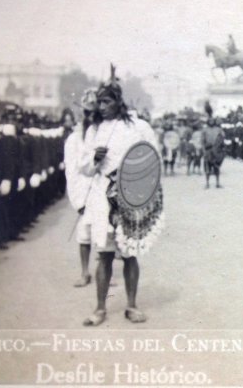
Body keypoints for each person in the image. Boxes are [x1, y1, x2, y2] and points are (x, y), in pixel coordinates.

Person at [79, 67, 162, 326]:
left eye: (107, 101)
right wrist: (94, 158)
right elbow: (82, 166)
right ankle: (100, 308)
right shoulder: (94, 130)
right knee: (103, 254)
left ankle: (132, 306)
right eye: (99, 102)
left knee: (130, 253)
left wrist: (142, 186)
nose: (101, 106)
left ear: (118, 101)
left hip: (131, 197)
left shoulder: (138, 126)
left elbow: (153, 157)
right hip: (103, 198)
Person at [64, 88, 97, 287]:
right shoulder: (73, 140)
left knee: (105, 235)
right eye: (88, 113)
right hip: (84, 192)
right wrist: (78, 201)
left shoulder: (104, 134)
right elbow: (71, 172)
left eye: (95, 113)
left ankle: (105, 271)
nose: (91, 117)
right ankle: (85, 272)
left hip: (103, 191)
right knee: (84, 233)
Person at [202, 116, 225, 188]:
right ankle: (207, 183)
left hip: (216, 150)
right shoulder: (205, 130)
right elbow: (202, 140)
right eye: (210, 121)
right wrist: (204, 149)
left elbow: (222, 138)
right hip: (208, 150)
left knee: (216, 167)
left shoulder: (219, 129)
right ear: (208, 121)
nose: (211, 122)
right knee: (207, 167)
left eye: (212, 121)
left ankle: (217, 183)